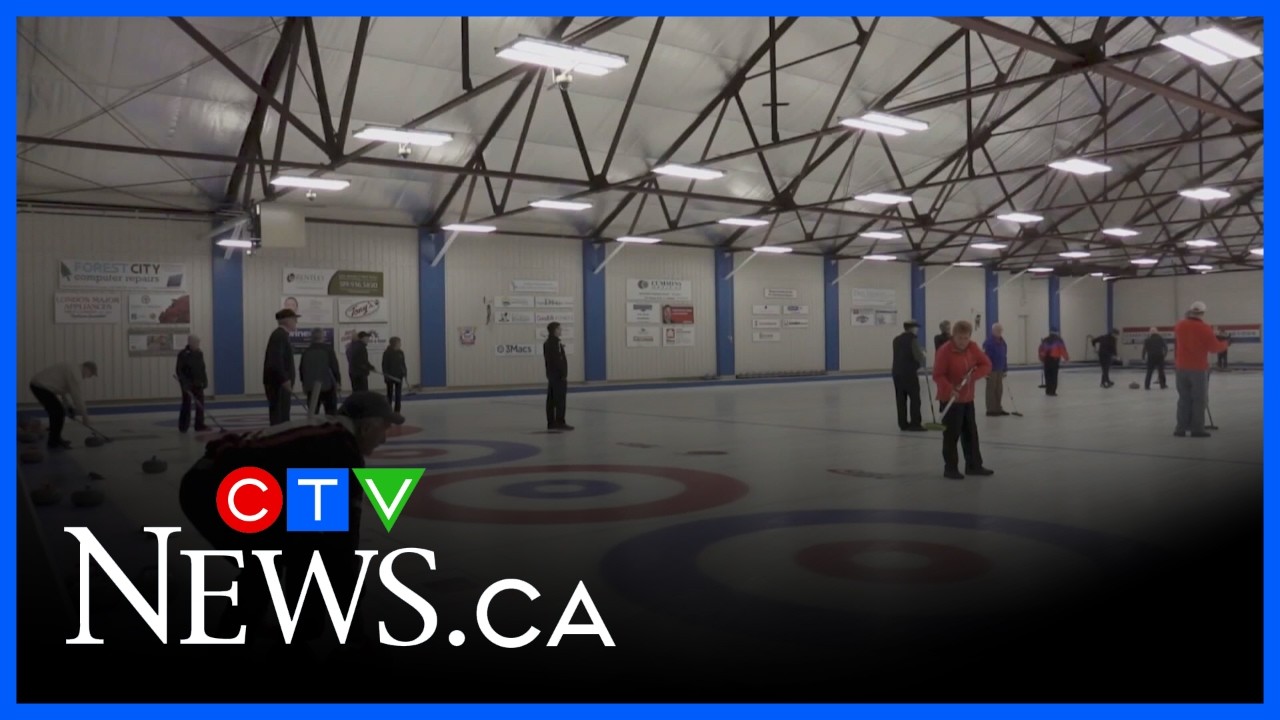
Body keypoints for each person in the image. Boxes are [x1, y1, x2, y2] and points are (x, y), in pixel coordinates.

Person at [178, 391, 403, 648]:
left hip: (217, 483)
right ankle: (234, 638)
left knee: (295, 548)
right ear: (366, 427)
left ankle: (293, 629)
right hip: (210, 489)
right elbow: (342, 549)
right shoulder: (339, 451)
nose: (384, 439)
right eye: (384, 428)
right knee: (266, 562)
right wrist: (355, 633)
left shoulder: (329, 438)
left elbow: (311, 542)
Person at [933, 321, 993, 480]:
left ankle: (974, 466)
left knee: (971, 434)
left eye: (966, 338)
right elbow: (938, 375)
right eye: (960, 338)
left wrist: (973, 376)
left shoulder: (972, 347)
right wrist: (950, 389)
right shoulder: (945, 351)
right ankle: (950, 468)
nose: (963, 342)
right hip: (950, 400)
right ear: (953, 336)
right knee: (951, 435)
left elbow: (986, 364)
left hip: (967, 398)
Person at [1173, 301, 1229, 438]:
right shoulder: (1205, 328)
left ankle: (1180, 428)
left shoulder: (1179, 325)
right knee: (1199, 399)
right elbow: (1214, 348)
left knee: (1184, 398)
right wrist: (1225, 343)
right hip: (1197, 368)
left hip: (1181, 367)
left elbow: (1188, 333)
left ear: (1190, 311)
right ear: (1203, 313)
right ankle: (1197, 429)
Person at [29, 361, 96, 450]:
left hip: (41, 387)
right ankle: (54, 441)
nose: (89, 377)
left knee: (57, 412)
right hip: (40, 387)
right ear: (86, 368)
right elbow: (77, 396)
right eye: (91, 374)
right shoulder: (75, 373)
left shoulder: (72, 369)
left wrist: (69, 408)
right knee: (57, 412)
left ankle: (55, 439)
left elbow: (63, 393)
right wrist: (85, 417)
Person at [891, 320, 927, 432]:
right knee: (915, 398)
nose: (917, 330)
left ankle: (902, 423)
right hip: (909, 373)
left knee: (900, 399)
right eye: (917, 328)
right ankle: (915, 423)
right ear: (913, 329)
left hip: (897, 373)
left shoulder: (896, 339)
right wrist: (923, 355)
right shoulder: (913, 339)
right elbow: (918, 356)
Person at [264, 308, 298, 425]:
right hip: (278, 384)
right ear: (288, 320)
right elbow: (276, 360)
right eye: (294, 319)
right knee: (279, 415)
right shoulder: (279, 336)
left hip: (280, 383)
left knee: (283, 413)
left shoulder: (281, 335)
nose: (296, 322)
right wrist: (284, 379)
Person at [299, 329, 342, 416]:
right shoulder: (328, 350)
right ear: (323, 337)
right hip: (328, 386)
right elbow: (334, 367)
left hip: (311, 387)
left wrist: (303, 384)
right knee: (331, 414)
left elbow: (302, 369)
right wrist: (338, 381)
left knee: (313, 413)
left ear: (312, 337)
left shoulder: (306, 351)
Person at [176, 336, 210, 432]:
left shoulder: (199, 353)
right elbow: (179, 370)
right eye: (196, 343)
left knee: (200, 404)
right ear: (190, 343)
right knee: (186, 404)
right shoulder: (183, 354)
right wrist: (184, 383)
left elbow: (202, 368)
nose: (198, 345)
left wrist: (205, 380)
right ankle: (183, 426)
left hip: (198, 383)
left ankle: (199, 425)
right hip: (187, 384)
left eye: (198, 343)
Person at [543, 322, 573, 431]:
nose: (561, 330)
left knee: (551, 400)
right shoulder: (555, 344)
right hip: (558, 376)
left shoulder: (547, 343)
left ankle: (551, 422)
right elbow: (558, 360)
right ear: (554, 330)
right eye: (559, 329)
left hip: (551, 375)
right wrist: (563, 374)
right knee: (560, 399)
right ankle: (560, 421)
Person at [982, 323, 1009, 416]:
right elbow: (985, 357)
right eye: (997, 330)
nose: (999, 332)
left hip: (1000, 369)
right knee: (991, 390)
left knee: (999, 390)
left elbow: (1004, 356)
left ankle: (998, 408)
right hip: (991, 370)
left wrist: (1005, 368)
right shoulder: (988, 343)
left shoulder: (1003, 342)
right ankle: (991, 410)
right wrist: (985, 370)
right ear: (993, 331)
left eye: (1000, 330)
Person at [1038, 329, 1069, 396]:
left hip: (1046, 360)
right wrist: (1066, 358)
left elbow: (1041, 349)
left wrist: (1041, 358)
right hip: (1054, 360)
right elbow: (1062, 349)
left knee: (1047, 375)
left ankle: (1048, 390)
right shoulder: (1058, 340)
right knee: (1054, 376)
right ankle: (1052, 391)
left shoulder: (1045, 340)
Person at [381, 336, 408, 413]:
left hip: (399, 376)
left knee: (398, 394)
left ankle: (397, 410)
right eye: (399, 342)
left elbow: (403, 364)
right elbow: (384, 365)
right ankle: (388, 409)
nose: (400, 344)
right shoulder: (387, 353)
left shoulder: (400, 352)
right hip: (390, 377)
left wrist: (405, 372)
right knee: (389, 394)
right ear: (394, 343)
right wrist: (386, 375)